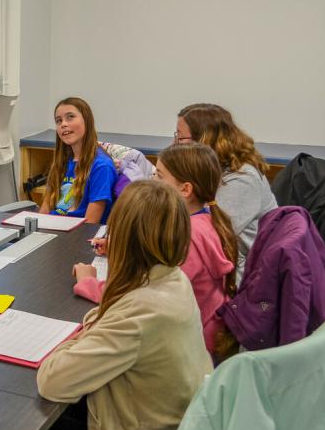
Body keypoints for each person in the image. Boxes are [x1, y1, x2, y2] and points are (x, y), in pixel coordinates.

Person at [37, 181, 213, 430]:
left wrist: (82, 333)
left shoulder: (140, 314)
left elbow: (52, 381)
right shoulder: (173, 277)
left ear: (121, 238)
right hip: (180, 425)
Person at [77, 143, 238, 363]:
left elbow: (140, 296)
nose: (152, 181)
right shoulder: (205, 219)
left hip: (191, 348)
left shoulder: (188, 236)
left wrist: (89, 282)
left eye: (159, 176)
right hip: (205, 332)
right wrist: (119, 248)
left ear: (185, 190)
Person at [175, 103, 277, 280]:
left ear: (204, 140)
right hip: (216, 260)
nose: (174, 144)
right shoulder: (211, 171)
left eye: (180, 138)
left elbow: (212, 236)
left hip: (242, 273)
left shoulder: (243, 179)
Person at [38, 97, 117, 224]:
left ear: (87, 121)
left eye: (70, 117)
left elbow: (90, 224)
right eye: (58, 121)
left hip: (78, 236)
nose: (63, 124)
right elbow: (45, 210)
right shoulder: (61, 162)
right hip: (52, 229)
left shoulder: (101, 166)